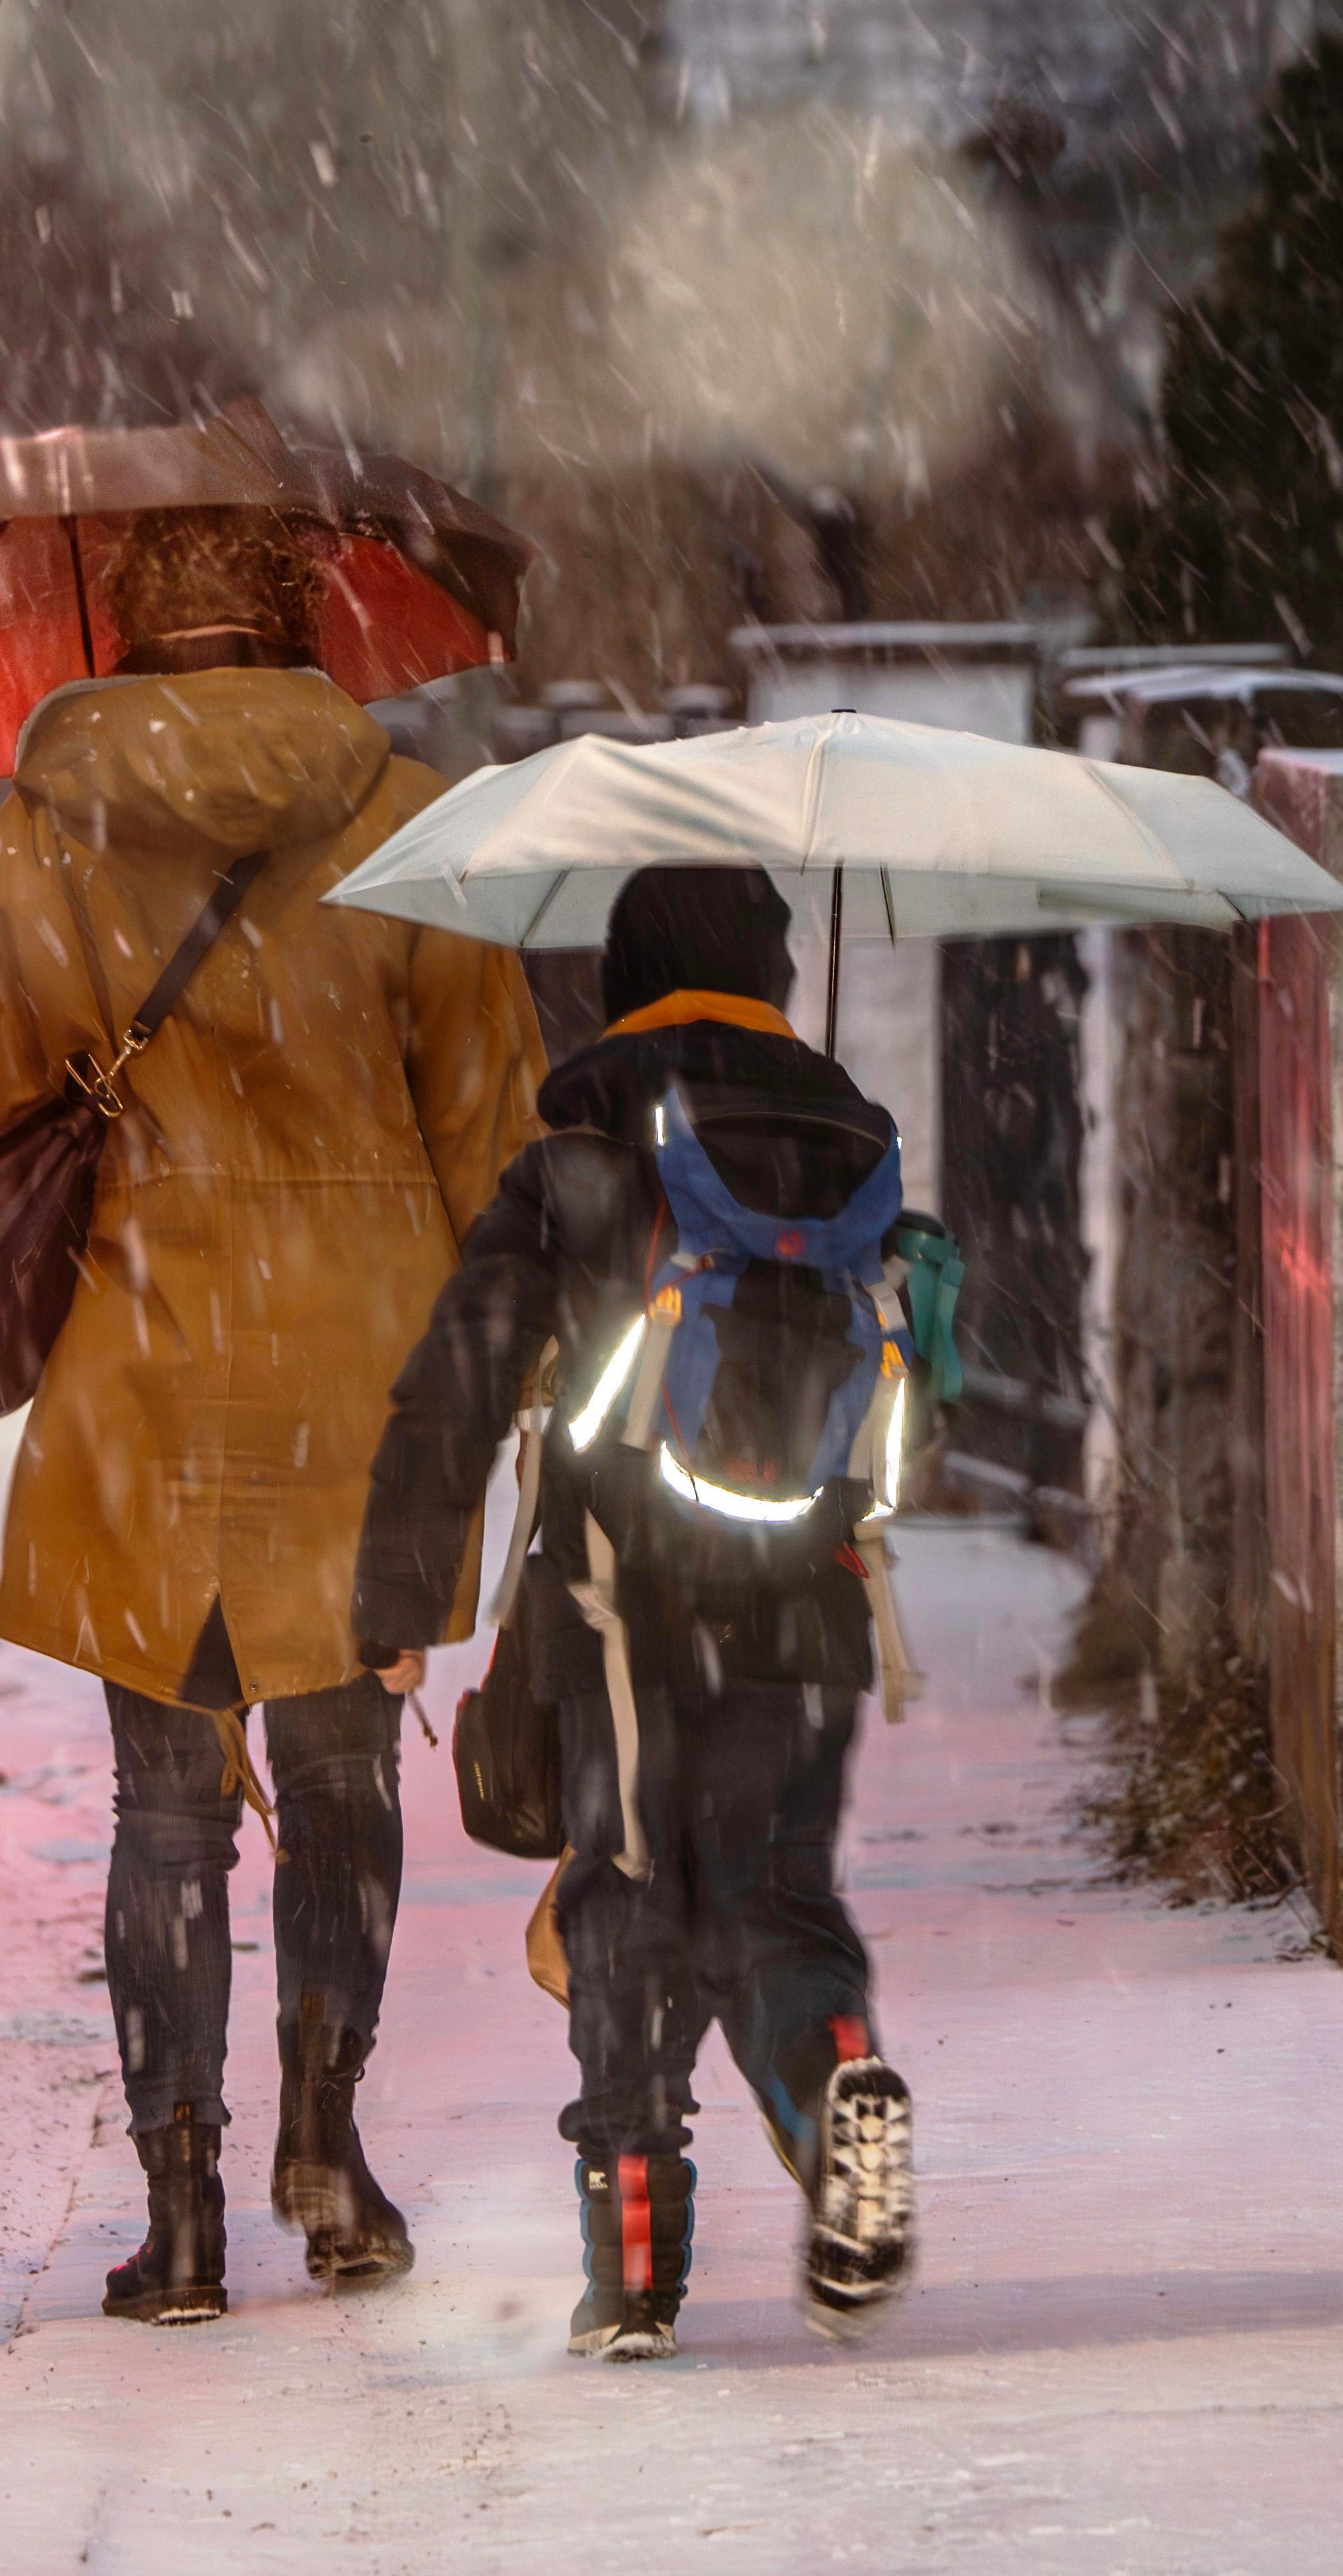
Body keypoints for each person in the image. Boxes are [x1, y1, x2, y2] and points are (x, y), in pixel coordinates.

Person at [0, 507, 542, 2325]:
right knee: (344, 1781)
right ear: (305, 624)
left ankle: (181, 2210)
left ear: (123, 628)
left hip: (142, 1366)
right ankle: (328, 2153)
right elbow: (489, 1121)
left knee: (167, 1810)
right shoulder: (409, 822)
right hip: (360, 1377)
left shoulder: (45, 830)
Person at [351, 865, 920, 2360]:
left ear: (622, 984)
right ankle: (838, 2078)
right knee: (776, 1893)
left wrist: (400, 1596)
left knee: (624, 1900)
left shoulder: (583, 1160)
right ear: (776, 981)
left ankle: (636, 2261)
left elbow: (458, 1382)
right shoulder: (855, 1152)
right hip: (812, 1601)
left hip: (622, 1602)